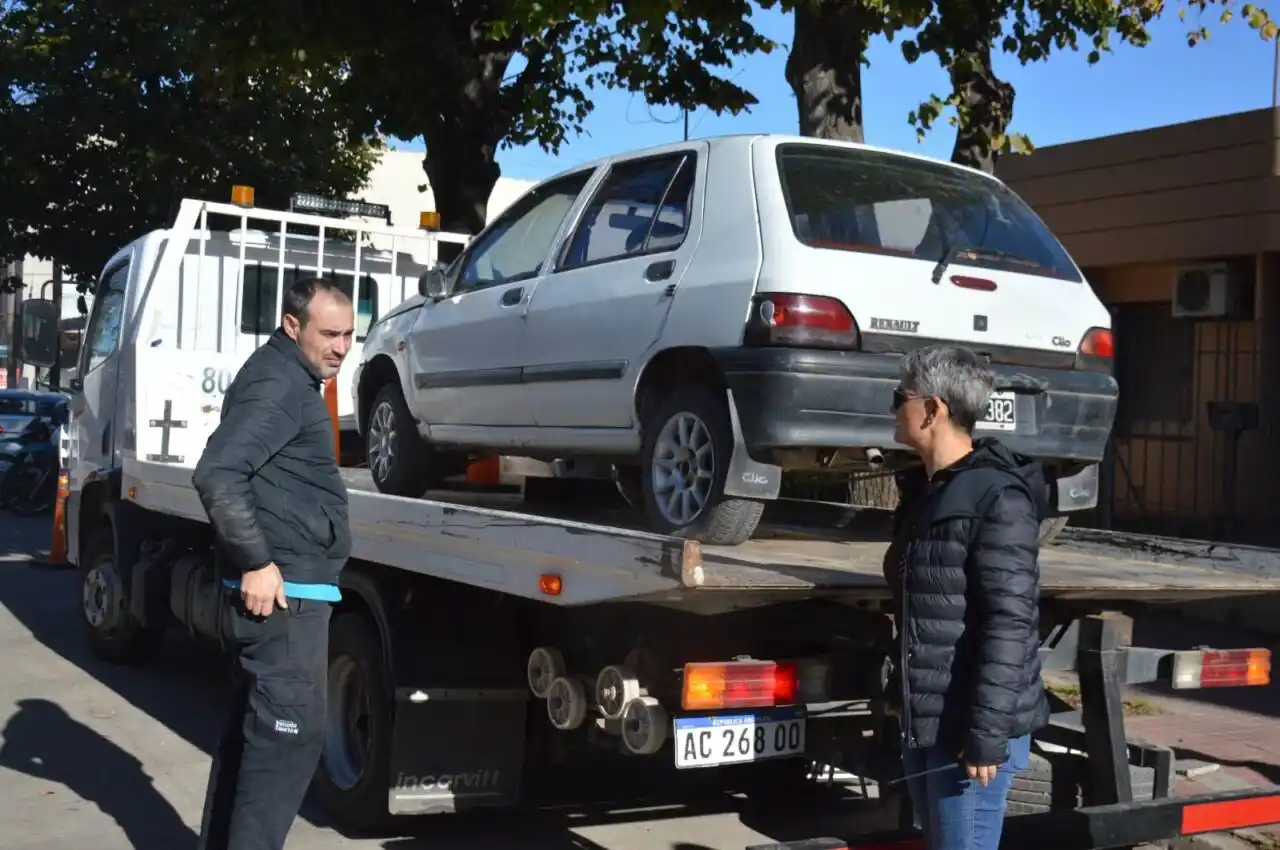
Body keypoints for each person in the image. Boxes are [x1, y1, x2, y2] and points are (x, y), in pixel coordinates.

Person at [192, 276, 355, 850]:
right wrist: (257, 562)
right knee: (287, 741)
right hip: (285, 599)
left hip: (292, 593)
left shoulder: (287, 376)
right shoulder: (280, 383)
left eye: (349, 335)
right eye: (329, 334)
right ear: (292, 325)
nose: (341, 348)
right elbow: (217, 474)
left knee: (259, 739)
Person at [883, 343, 1051, 850]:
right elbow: (926, 611)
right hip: (930, 720)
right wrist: (900, 698)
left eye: (900, 397)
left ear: (932, 410)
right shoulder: (930, 492)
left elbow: (1009, 624)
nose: (893, 408)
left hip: (969, 733)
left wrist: (985, 734)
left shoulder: (997, 496)